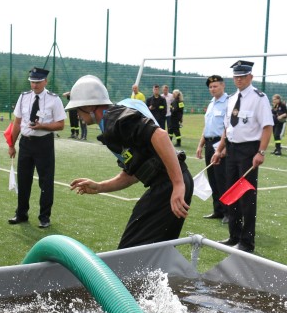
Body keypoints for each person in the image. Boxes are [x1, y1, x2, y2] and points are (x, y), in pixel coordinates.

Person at [67, 75, 193, 249]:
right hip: (171, 181)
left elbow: (160, 135)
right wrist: (100, 186)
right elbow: (132, 174)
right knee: (155, 251)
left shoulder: (113, 119)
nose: (77, 115)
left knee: (128, 252)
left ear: (89, 106)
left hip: (169, 183)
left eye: (77, 109)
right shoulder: (116, 117)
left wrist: (177, 184)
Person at [211, 61, 274, 253]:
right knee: (232, 194)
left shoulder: (259, 98)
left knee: (246, 197)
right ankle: (234, 236)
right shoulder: (231, 99)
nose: (238, 79)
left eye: (242, 76)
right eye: (236, 76)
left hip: (249, 151)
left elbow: (267, 127)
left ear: (250, 77)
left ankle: (247, 242)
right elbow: (228, 128)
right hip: (231, 150)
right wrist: (219, 150)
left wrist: (261, 152)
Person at [7, 67, 66, 228]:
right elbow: (17, 122)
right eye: (32, 82)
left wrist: (43, 126)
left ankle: (44, 217)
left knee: (46, 182)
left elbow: (61, 125)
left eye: (38, 82)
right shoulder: (24, 97)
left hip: (43, 144)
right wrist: (12, 144)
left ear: (45, 81)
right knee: (24, 180)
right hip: (25, 143)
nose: (34, 85)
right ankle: (21, 213)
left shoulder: (54, 100)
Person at [195, 75, 229, 224]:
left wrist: (223, 148)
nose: (212, 89)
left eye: (215, 86)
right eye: (210, 87)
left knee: (223, 179)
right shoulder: (211, 103)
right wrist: (200, 145)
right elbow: (207, 127)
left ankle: (229, 212)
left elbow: (228, 128)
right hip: (209, 143)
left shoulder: (228, 103)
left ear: (223, 86)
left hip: (220, 144)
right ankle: (218, 210)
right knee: (213, 179)